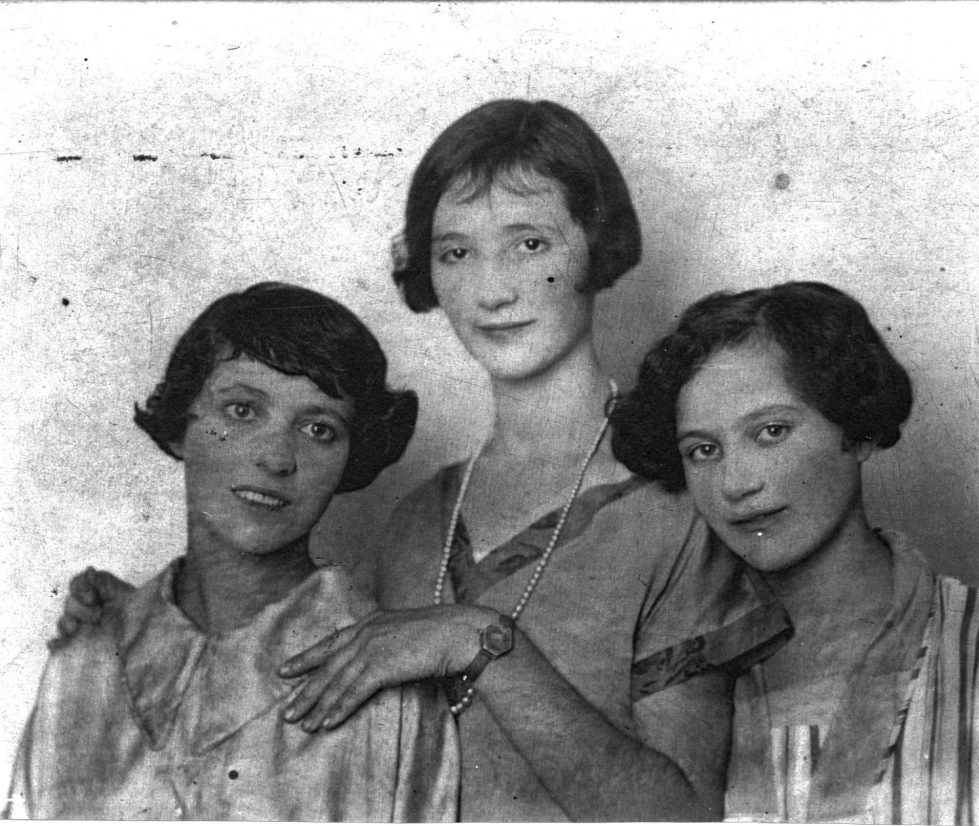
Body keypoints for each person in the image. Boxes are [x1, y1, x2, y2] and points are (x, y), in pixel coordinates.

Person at [54, 100, 792, 821]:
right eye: (456, 252)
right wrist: (150, 622)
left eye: (530, 243)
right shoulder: (416, 521)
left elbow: (683, 815)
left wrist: (476, 641)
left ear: (596, 247)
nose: (493, 288)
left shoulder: (680, 504)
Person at [7, 283, 459, 821]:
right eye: (242, 410)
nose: (275, 458)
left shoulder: (386, 688)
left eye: (320, 429)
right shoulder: (81, 667)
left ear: (349, 460)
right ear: (181, 425)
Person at [611, 280, 979, 824]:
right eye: (704, 450)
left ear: (857, 432)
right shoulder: (659, 673)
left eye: (771, 431)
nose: (735, 484)